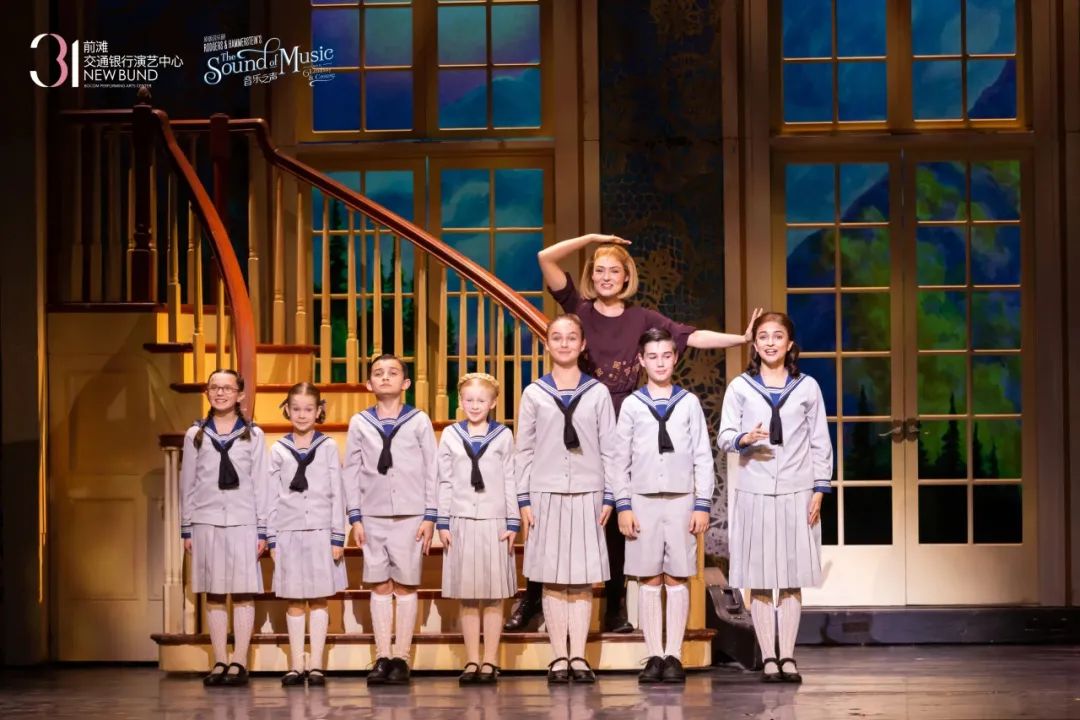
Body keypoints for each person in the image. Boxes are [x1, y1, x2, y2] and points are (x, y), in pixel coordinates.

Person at [504, 233, 758, 633]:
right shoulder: (579, 310)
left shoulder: (642, 318)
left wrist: (741, 339)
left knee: (617, 515)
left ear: (626, 277)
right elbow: (545, 257)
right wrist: (594, 238)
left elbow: (691, 337)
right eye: (599, 270)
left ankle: (615, 605)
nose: (606, 277)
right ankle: (534, 597)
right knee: (557, 515)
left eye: (614, 271)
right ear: (592, 276)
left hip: (626, 420)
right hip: (580, 417)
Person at [717, 312, 833, 683]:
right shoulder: (741, 387)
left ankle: (788, 657)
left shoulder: (807, 387)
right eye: (763, 336)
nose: (770, 342)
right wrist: (744, 439)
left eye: (777, 336)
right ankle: (769, 657)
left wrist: (819, 488)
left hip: (797, 490)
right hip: (755, 489)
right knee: (761, 575)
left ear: (789, 343)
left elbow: (820, 441)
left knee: (791, 575)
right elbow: (724, 436)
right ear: (754, 344)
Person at [516, 314, 620, 683]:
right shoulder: (534, 393)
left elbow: (610, 448)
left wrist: (611, 494)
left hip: (588, 493)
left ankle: (579, 655)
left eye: (571, 337)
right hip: (545, 493)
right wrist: (524, 499)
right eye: (557, 337)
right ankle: (559, 656)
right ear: (547, 344)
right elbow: (524, 449)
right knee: (552, 578)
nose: (564, 343)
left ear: (582, 344)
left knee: (581, 579)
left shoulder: (597, 392)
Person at [614, 328, 714, 684]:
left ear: (675, 358)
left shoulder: (688, 403)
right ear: (641, 360)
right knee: (649, 576)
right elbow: (619, 458)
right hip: (642, 500)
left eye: (666, 356)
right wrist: (623, 505)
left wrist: (702, 504)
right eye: (652, 357)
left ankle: (674, 655)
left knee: (677, 575)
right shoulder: (632, 405)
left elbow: (702, 454)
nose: (660, 363)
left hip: (681, 499)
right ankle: (654, 654)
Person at [343, 354, 438, 685]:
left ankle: (402, 658)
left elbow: (432, 469)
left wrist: (430, 515)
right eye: (378, 373)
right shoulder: (360, 423)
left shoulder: (419, 420)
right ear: (369, 384)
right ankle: (382, 656)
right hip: (372, 515)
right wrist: (355, 517)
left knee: (406, 583)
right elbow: (351, 470)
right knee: (380, 584)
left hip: (411, 515)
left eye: (392, 372)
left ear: (405, 383)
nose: (385, 377)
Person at [180, 369, 269, 686]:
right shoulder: (196, 434)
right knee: (215, 591)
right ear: (207, 393)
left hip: (244, 520)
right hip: (206, 520)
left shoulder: (253, 435)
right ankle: (219, 659)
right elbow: (188, 482)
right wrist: (187, 527)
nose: (220, 393)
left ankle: (239, 660)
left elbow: (261, 483)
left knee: (243, 591)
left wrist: (262, 529)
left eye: (227, 388)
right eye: (214, 387)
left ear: (240, 394)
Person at [436, 373, 519, 685]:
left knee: (494, 595)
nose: (474, 405)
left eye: (481, 400)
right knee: (468, 595)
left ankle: (490, 660)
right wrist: (443, 521)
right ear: (460, 401)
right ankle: (472, 659)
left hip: (494, 520)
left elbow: (510, 479)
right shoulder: (450, 435)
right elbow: (444, 480)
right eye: (469, 400)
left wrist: (513, 521)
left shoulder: (503, 436)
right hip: (460, 520)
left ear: (493, 403)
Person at [267, 382, 347, 686]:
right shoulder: (278, 449)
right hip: (288, 532)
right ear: (287, 410)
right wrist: (272, 537)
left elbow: (337, 493)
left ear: (318, 411)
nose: (302, 415)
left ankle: (316, 664)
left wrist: (337, 536)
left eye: (308, 409)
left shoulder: (327, 447)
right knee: (294, 600)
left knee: (318, 599)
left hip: (320, 532)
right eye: (296, 409)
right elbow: (271, 497)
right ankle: (296, 663)